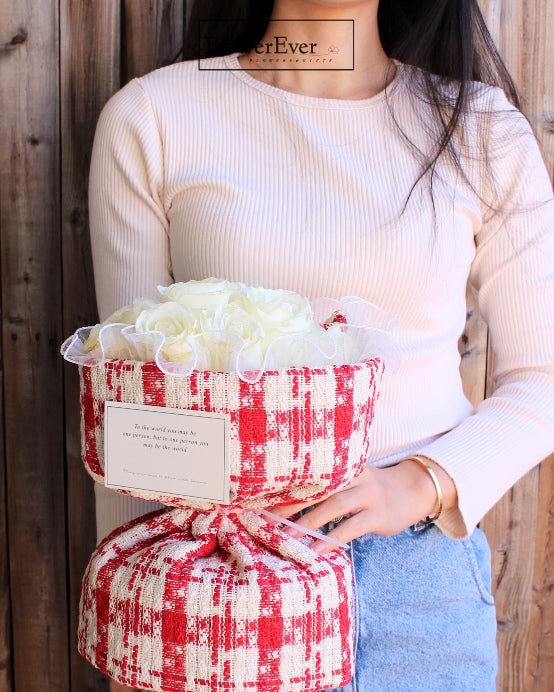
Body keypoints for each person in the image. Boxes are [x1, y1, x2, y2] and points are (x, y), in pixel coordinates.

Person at [88, 1, 554, 690]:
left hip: (415, 584)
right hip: (220, 577)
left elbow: (543, 375)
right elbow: (128, 408)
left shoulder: (482, 130)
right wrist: (142, 619)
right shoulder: (154, 116)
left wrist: (423, 482)